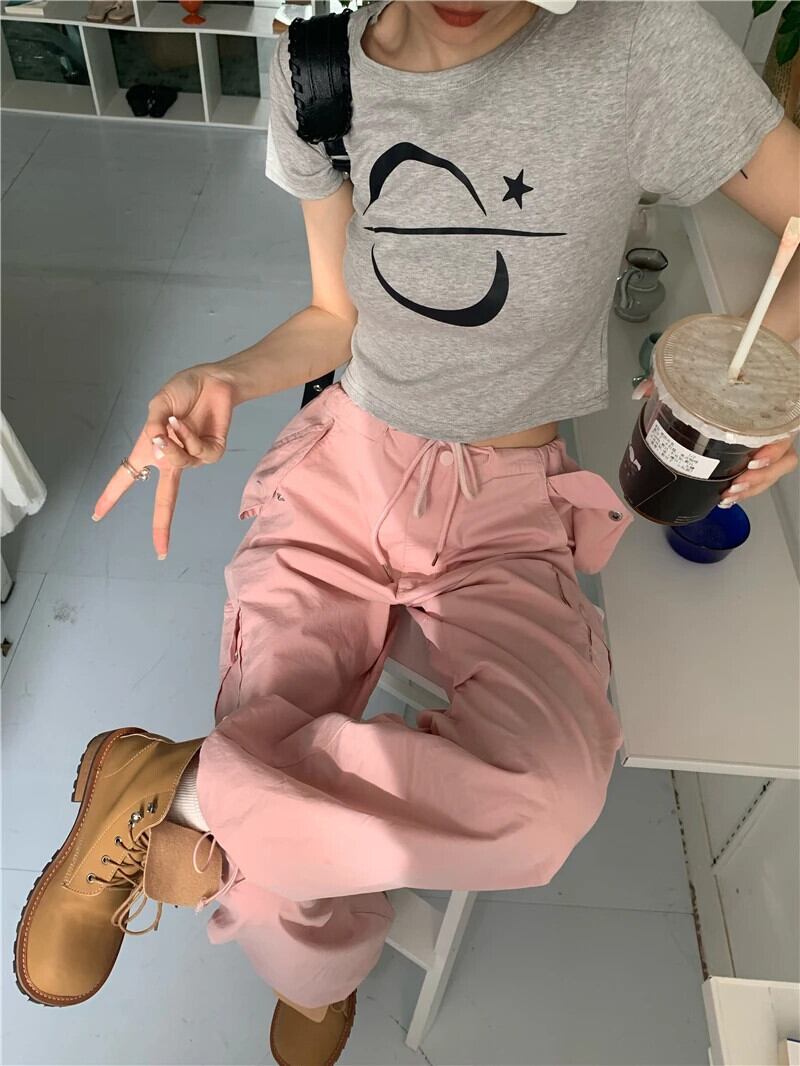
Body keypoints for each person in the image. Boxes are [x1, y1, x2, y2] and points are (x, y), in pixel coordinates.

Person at [15, 3, 799, 1065]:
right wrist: (226, 376)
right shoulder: (318, 71)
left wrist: (762, 375)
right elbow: (333, 316)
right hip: (346, 465)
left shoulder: (640, 46)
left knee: (544, 804)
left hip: (509, 503)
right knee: (283, 775)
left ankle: (186, 790)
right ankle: (316, 970)